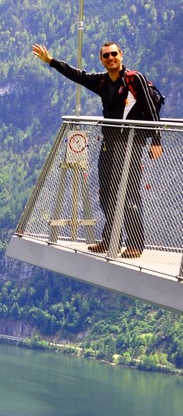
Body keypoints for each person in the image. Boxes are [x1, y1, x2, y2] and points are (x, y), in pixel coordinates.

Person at [32, 41, 162, 258]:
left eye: (113, 54)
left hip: (131, 143)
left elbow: (150, 109)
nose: (110, 58)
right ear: (101, 60)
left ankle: (136, 244)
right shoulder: (102, 81)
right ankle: (111, 239)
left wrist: (156, 140)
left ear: (121, 55)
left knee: (128, 194)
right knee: (107, 194)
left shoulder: (133, 79)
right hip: (109, 144)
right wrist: (51, 61)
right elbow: (78, 75)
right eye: (106, 56)